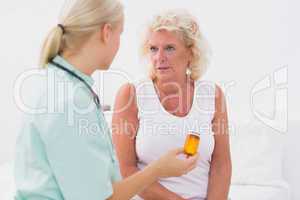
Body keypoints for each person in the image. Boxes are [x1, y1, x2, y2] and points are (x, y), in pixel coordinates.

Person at [14, 1, 199, 200]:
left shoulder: (60, 84)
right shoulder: (70, 102)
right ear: (106, 32)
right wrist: (157, 170)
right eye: (120, 34)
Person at [112, 9, 232, 200]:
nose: (159, 57)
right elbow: (124, 169)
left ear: (191, 53)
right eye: (153, 48)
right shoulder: (131, 94)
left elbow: (221, 163)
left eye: (169, 48)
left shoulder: (213, 95)